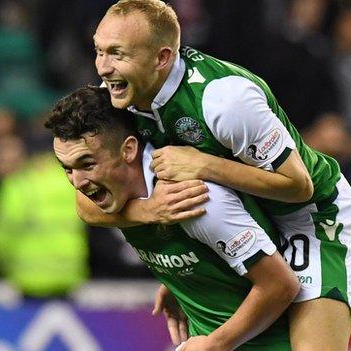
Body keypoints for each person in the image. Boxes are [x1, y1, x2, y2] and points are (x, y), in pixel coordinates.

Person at [85, 1, 351, 350]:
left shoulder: (224, 101)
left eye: (117, 54)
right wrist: (162, 236)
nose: (103, 67)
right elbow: (84, 200)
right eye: (99, 50)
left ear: (162, 58)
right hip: (245, 215)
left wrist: (204, 165)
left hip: (310, 217)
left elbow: (298, 186)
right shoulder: (117, 97)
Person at [46, 85, 300, 350]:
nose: (78, 182)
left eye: (87, 165)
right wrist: (181, 279)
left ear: (129, 150)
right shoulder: (116, 196)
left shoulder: (195, 199)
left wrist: (217, 343)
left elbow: (280, 285)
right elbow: (85, 209)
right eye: (68, 169)